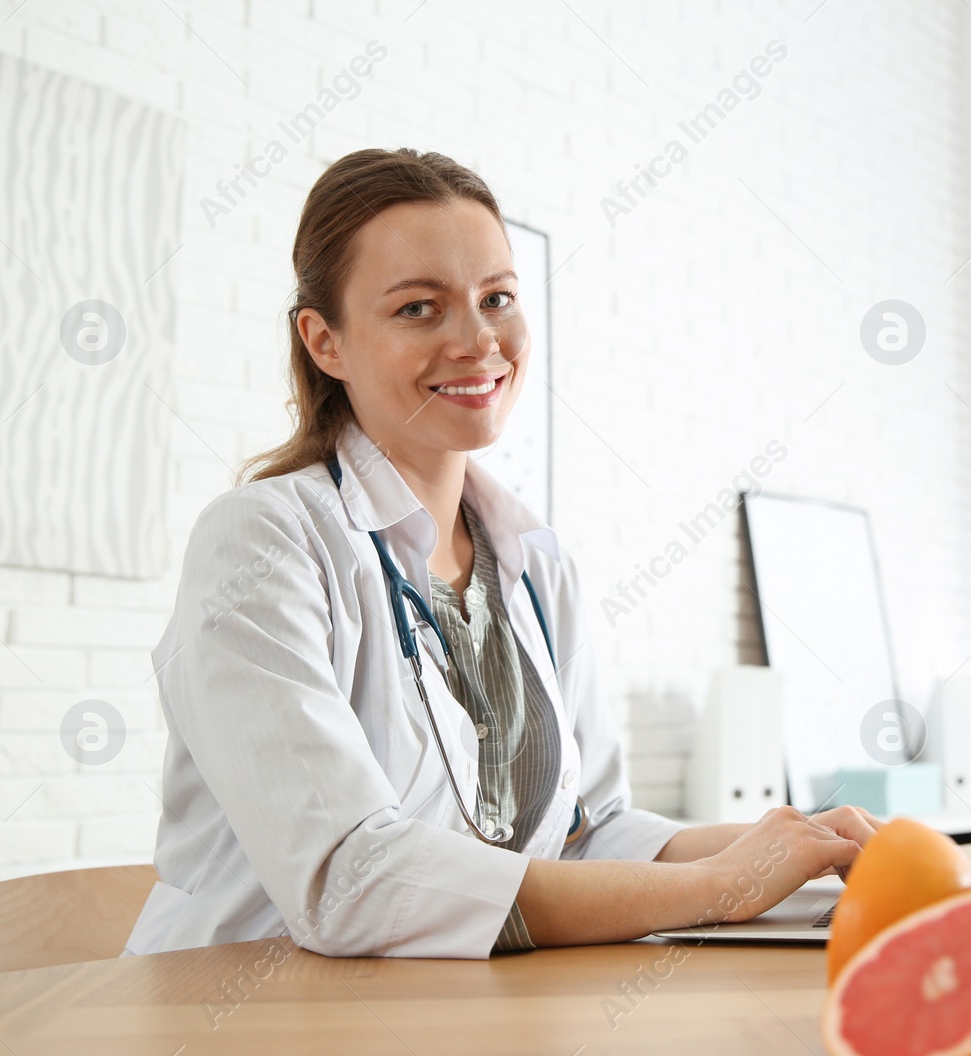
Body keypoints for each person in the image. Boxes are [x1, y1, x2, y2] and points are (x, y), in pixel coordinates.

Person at [124, 148, 879, 959]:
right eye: (419, 308)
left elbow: (588, 833)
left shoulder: (537, 565)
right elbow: (352, 878)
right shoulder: (265, 541)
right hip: (250, 1025)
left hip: (449, 1021)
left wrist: (801, 850)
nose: (478, 340)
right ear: (325, 341)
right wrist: (718, 888)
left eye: (498, 298)